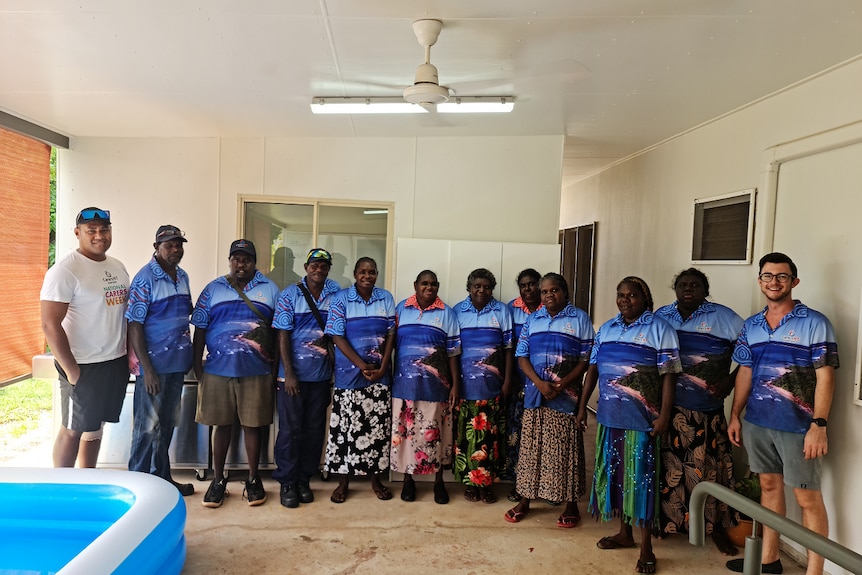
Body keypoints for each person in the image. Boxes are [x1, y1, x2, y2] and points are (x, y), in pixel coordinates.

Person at [726, 253, 839, 575]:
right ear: (760, 281)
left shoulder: (815, 323)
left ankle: (814, 571)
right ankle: (769, 560)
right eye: (768, 276)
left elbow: (826, 377)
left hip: (798, 427)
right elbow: (745, 372)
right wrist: (736, 414)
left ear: (794, 282)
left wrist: (819, 424)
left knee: (807, 498)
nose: (774, 282)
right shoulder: (752, 325)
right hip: (758, 423)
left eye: (782, 276)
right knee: (769, 489)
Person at [577, 276, 681, 575]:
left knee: (642, 482)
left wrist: (663, 415)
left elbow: (669, 375)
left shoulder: (660, 329)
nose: (625, 300)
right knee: (617, 478)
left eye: (632, 295)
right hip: (609, 418)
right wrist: (582, 406)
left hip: (642, 421)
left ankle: (647, 546)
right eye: (621, 295)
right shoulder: (607, 328)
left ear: (644, 297)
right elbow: (593, 370)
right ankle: (624, 534)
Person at [654, 268, 743, 553]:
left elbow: (753, 354)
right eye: (682, 284)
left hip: (707, 411)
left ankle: (715, 527)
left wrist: (731, 380)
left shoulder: (726, 318)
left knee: (709, 471)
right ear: (675, 288)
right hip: (669, 409)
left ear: (705, 290)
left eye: (694, 285)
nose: (688, 289)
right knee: (669, 469)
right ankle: (669, 523)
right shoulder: (661, 316)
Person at [192, 239, 280, 508]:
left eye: (247, 260)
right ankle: (218, 480)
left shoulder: (270, 289)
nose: (241, 264)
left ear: (255, 262)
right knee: (221, 426)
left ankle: (253, 479)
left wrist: (274, 370)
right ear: (230, 261)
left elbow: (278, 333)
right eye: (236, 259)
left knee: (253, 426)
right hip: (218, 371)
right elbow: (201, 328)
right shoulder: (213, 289)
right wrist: (198, 365)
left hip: (257, 371)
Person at [40, 207, 130, 468]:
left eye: (104, 229)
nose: (99, 235)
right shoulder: (65, 271)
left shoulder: (117, 266)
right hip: (82, 365)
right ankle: (63, 487)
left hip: (114, 361)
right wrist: (72, 371)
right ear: (78, 233)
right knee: (72, 428)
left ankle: (87, 478)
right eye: (92, 231)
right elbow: (49, 324)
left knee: (96, 425)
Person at [505, 273, 594, 527]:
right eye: (544, 292)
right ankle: (525, 500)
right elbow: (522, 356)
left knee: (566, 451)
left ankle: (570, 505)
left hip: (566, 398)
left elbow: (585, 360)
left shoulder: (580, 319)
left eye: (554, 290)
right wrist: (539, 383)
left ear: (564, 292)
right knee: (531, 451)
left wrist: (562, 384)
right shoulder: (534, 319)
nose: (548, 295)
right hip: (536, 395)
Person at [126, 225, 194, 496]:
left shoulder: (183, 276)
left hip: (177, 365)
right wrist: (148, 370)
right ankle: (137, 489)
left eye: (179, 244)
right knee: (146, 428)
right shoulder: (145, 279)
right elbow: (134, 325)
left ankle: (162, 480)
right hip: (153, 368)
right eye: (169, 245)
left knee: (166, 425)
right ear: (156, 247)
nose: (175, 249)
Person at [272, 248, 341, 508]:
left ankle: (303, 479)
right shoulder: (289, 295)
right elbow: (282, 334)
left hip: (321, 377)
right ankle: (287, 481)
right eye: (315, 265)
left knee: (313, 431)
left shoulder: (335, 294)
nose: (319, 269)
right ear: (306, 267)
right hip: (292, 378)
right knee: (290, 431)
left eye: (324, 266)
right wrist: (288, 372)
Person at [324, 257, 396, 504]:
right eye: (363, 272)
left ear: (377, 275)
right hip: (349, 376)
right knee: (346, 430)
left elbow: (390, 334)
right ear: (355, 274)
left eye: (372, 272)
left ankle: (376, 480)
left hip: (380, 376)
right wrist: (362, 364)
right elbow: (336, 336)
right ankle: (343, 483)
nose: (367, 276)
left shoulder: (385, 298)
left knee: (377, 431)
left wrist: (383, 366)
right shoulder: (341, 299)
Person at [391, 270, 461, 504]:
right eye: (424, 283)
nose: (429, 288)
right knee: (408, 437)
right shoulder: (401, 309)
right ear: (415, 285)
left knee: (436, 436)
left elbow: (453, 353)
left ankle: (438, 482)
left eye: (433, 284)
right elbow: (391, 345)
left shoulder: (447, 314)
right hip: (405, 387)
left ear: (438, 287)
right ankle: (408, 481)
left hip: (435, 389)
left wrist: (454, 385)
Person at [453, 268, 513, 504]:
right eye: (477, 286)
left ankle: (487, 485)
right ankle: (470, 484)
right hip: (466, 388)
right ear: (469, 287)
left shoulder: (502, 311)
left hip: (493, 388)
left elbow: (509, 349)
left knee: (490, 440)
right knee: (467, 439)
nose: (482, 290)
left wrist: (507, 380)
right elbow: (453, 352)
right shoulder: (458, 311)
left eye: (487, 287)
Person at [504, 268, 543, 502]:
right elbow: (508, 346)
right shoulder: (512, 308)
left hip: (544, 384)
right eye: (523, 285)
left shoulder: (549, 307)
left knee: (541, 436)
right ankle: (519, 483)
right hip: (519, 382)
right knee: (517, 435)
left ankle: (543, 484)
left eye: (531, 284)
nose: (527, 289)